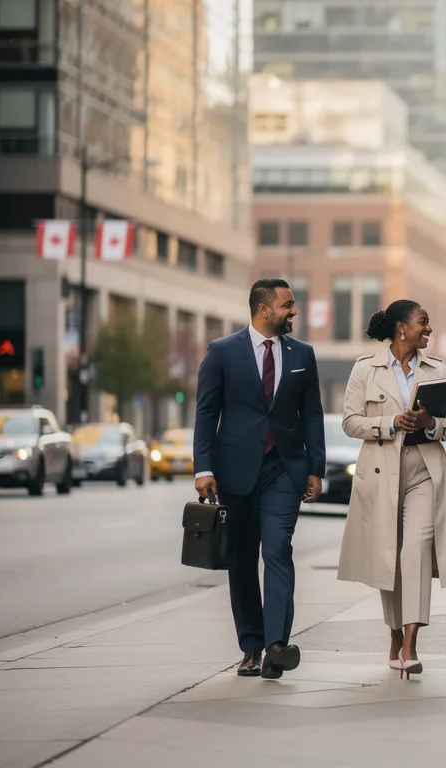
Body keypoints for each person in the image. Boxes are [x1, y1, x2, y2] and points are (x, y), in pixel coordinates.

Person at [194, 278, 325, 680]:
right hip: (235, 472)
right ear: (264, 309)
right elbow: (205, 413)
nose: (293, 312)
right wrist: (203, 469)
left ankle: (276, 646)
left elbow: (313, 414)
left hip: (284, 470)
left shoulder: (302, 353)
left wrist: (316, 468)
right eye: (287, 305)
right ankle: (250, 647)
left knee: (278, 552)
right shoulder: (222, 352)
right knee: (242, 560)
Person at [337, 300, 446, 678]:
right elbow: (350, 421)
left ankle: (410, 643)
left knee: (415, 552)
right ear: (401, 329)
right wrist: (390, 422)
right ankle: (394, 634)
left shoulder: (437, 368)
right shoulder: (366, 368)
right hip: (381, 472)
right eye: (423, 323)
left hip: (425, 470)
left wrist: (431, 423)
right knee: (388, 557)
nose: (428, 329)